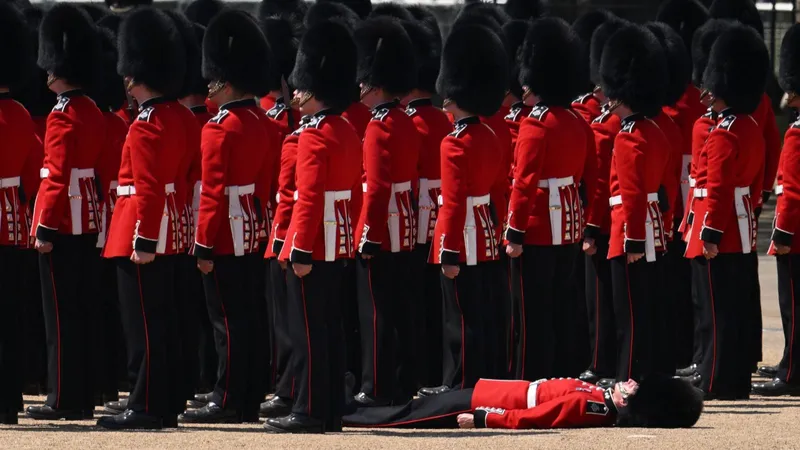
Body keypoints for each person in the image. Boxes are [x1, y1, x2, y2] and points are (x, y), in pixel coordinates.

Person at [265, 20, 362, 434]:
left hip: (313, 244)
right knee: (329, 329)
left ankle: (307, 408)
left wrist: (298, 249)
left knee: (306, 332)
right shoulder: (345, 129)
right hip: (337, 240)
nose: (296, 93)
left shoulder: (314, 135)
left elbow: (307, 197)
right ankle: (330, 409)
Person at [181, 9, 274, 424]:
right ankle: (250, 392)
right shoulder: (264, 123)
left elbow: (213, 193)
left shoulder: (219, 128)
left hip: (224, 234)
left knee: (226, 321)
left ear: (224, 80)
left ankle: (227, 396)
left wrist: (202, 243)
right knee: (251, 316)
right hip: (256, 228)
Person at [98, 7, 187, 429]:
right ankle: (162, 400)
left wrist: (144, 239)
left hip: (141, 230)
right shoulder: (182, 118)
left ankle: (145, 403)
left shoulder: (146, 124)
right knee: (163, 322)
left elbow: (148, 187)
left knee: (144, 328)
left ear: (133, 76)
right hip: (170, 228)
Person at [26, 4, 105, 422]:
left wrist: (44, 227)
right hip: (89, 219)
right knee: (83, 310)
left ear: (57, 69)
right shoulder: (92, 111)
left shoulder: (61, 115)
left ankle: (62, 398)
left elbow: (54, 177)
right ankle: (84, 394)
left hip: (63, 220)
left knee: (59, 314)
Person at [420, 23, 506, 397]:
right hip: (486, 233)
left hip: (463, 237)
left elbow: (452, 204)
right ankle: (481, 379)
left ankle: (460, 385)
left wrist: (448, 250)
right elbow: (499, 190)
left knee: (459, 318)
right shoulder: (488, 135)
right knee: (483, 314)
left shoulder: (453, 143)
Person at [504, 18, 592, 381]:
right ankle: (564, 375)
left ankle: (530, 379)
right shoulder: (577, 121)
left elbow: (524, 182)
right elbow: (591, 179)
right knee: (562, 307)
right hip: (569, 225)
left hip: (537, 227)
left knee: (530, 312)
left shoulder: (535, 124)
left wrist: (514, 232)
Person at [684, 24, 768, 399]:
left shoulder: (723, 133)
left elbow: (715, 189)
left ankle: (714, 379)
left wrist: (709, 233)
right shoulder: (750, 127)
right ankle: (732, 379)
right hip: (741, 225)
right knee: (731, 309)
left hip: (717, 226)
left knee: (713, 313)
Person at [352, 17, 421, 406]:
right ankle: (399, 381)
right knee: (400, 310)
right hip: (406, 226)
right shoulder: (406, 122)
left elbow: (376, 189)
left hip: (383, 227)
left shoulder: (379, 127)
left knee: (375, 313)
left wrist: (368, 235)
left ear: (375, 83)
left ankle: (375, 386)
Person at [599, 24, 671, 384]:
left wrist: (632, 240)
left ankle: (629, 382)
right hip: (652, 232)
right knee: (648, 313)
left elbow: (632, 194)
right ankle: (650, 377)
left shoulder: (628, 136)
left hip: (630, 233)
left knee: (627, 316)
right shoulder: (655, 130)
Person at [656, 0, 711, 373]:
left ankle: (684, 352)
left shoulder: (673, 105)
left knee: (678, 283)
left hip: (681, 197)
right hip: (690, 197)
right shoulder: (701, 101)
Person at [399, 15, 451, 390]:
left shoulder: (412, 122)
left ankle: (418, 374)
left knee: (416, 301)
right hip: (440, 217)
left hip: (416, 220)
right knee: (436, 302)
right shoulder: (444, 119)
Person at [341, 376, 703, 430]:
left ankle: (348, 417)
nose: (631, 382)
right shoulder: (604, 397)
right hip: (493, 389)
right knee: (413, 408)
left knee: (407, 417)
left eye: (636, 388)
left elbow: (538, 416)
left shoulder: (597, 408)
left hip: (488, 401)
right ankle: (348, 410)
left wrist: (486, 419)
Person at [752, 23, 800, 396]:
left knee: (793, 308)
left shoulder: (797, 133)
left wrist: (781, 233)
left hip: (795, 235)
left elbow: (793, 192)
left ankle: (792, 370)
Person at [578, 18, 626, 387]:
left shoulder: (604, 124)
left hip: (607, 218)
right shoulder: (616, 121)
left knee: (600, 300)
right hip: (624, 218)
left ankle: (600, 360)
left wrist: (591, 225)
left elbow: (596, 181)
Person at [0, 2, 38, 425]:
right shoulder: (23, 114)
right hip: (12, 222)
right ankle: (8, 400)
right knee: (9, 315)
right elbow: (32, 174)